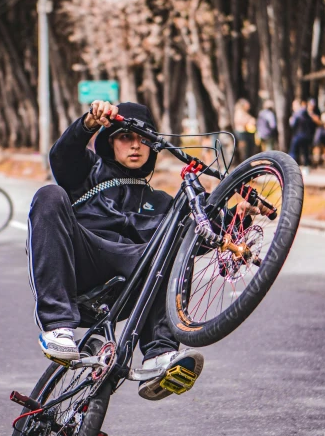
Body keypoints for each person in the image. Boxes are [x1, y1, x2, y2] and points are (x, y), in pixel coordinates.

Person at [28, 100, 204, 401]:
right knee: (48, 194)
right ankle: (58, 329)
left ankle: (159, 356)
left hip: (132, 287)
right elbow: (62, 156)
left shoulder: (163, 203)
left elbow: (204, 230)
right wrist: (89, 123)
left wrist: (241, 214)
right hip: (83, 266)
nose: (135, 145)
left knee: (179, 234)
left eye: (143, 139)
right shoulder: (88, 171)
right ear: (111, 142)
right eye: (126, 137)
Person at [289, 99, 314, 170]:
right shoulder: (307, 113)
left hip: (298, 135)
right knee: (305, 152)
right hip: (306, 135)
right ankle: (306, 167)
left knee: (293, 152)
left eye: (294, 105)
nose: (293, 107)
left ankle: (291, 167)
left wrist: (290, 120)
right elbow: (311, 123)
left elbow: (293, 124)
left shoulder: (296, 114)